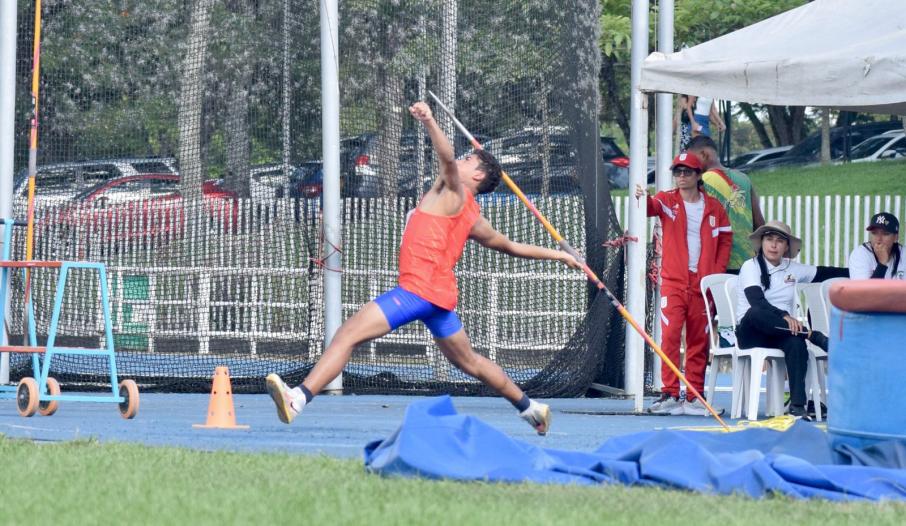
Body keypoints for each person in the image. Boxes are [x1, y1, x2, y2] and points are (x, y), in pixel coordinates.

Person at [265, 101, 581, 435]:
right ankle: (532, 409)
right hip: (439, 298)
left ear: (476, 175)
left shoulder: (455, 192)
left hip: (418, 291)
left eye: (467, 159)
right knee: (470, 361)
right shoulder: (472, 214)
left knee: (347, 335)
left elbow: (445, 158)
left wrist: (429, 120)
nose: (460, 159)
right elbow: (510, 246)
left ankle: (297, 398)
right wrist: (561, 255)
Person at [635, 152, 732, 416]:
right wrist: (641, 196)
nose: (681, 176)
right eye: (677, 171)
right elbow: (648, 208)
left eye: (687, 171)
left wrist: (715, 273)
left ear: (698, 175)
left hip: (702, 285)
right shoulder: (667, 200)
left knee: (698, 340)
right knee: (669, 335)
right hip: (674, 282)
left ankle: (694, 396)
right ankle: (669, 394)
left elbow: (725, 242)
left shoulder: (715, 208)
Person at [734, 221, 848, 419]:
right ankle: (812, 335)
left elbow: (823, 272)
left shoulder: (792, 268)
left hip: (781, 331)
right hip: (751, 331)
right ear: (761, 242)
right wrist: (785, 316)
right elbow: (757, 302)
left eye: (779, 241)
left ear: (787, 247)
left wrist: (862, 274)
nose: (774, 245)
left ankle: (797, 405)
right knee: (755, 312)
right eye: (769, 239)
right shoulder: (750, 267)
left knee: (796, 342)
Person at [688, 135, 765, 273]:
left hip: (718, 261)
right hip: (747, 261)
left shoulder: (704, 180)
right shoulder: (744, 178)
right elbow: (759, 222)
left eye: (693, 160)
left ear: (704, 154)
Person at [849, 212, 903, 280]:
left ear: (896, 237)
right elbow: (864, 290)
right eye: (874, 233)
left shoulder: (903, 255)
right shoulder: (860, 254)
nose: (878, 239)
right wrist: (882, 264)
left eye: (885, 234)